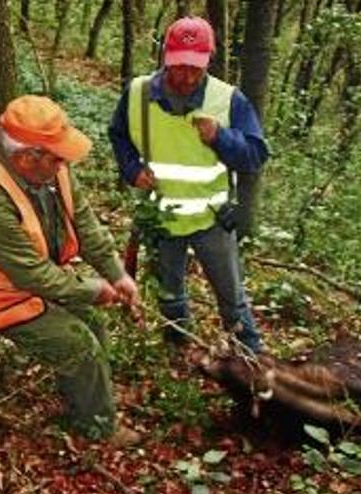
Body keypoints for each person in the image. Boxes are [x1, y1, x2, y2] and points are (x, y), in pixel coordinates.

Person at [0, 95, 142, 446]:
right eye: (56, 156)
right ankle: (98, 431)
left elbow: (86, 224)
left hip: (35, 280)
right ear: (26, 157)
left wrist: (116, 274)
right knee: (79, 345)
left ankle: (90, 402)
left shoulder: (52, 171)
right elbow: (29, 275)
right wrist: (93, 290)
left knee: (94, 325)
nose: (63, 164)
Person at [108, 16, 268, 352]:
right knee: (171, 295)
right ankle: (177, 350)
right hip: (163, 217)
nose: (186, 76)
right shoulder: (137, 94)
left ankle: (253, 360)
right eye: (179, 66)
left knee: (232, 299)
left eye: (195, 67)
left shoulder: (229, 100)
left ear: (208, 60)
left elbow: (254, 155)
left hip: (211, 219)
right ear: (166, 57)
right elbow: (118, 134)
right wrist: (131, 168)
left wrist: (220, 137)